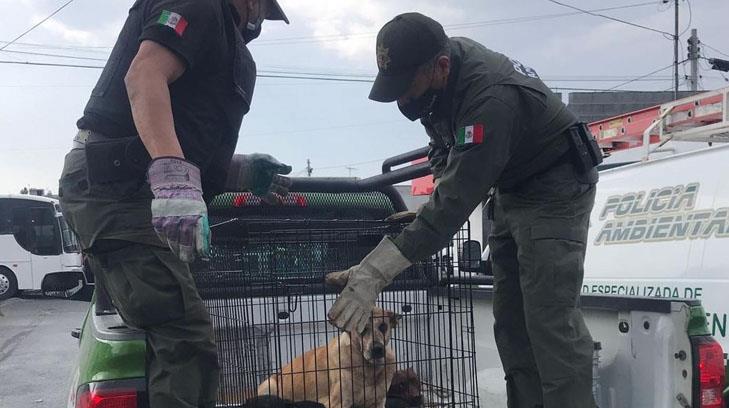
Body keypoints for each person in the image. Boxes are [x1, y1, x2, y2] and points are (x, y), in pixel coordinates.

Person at [326, 12, 602, 408]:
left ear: (439, 67)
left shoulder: (489, 98)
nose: (403, 100)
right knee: (511, 324)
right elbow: (443, 148)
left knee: (549, 324)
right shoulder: (438, 85)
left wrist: (375, 271)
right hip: (510, 188)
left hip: (554, 189)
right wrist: (436, 197)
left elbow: (454, 205)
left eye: (406, 88)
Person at [58, 0, 292, 407]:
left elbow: (189, 134)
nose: (258, 22)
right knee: (184, 335)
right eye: (262, 11)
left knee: (177, 327)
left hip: (132, 187)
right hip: (115, 186)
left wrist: (238, 172)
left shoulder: (230, 55)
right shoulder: (200, 5)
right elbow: (145, 74)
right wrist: (173, 176)